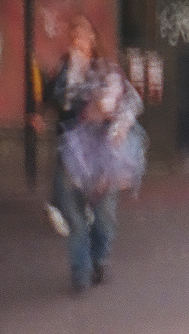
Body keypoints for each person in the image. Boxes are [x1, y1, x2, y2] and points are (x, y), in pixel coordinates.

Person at [41, 16, 143, 293]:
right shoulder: (63, 70)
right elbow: (58, 100)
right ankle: (80, 272)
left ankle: (99, 259)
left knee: (104, 216)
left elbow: (130, 101)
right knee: (74, 217)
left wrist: (119, 125)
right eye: (75, 36)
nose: (80, 41)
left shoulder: (107, 69)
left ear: (94, 38)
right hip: (70, 155)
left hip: (105, 154)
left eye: (84, 35)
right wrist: (70, 71)